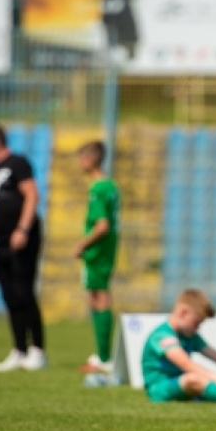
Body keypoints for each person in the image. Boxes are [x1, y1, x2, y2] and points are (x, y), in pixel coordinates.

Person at [0, 124, 47, 372]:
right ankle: (19, 350)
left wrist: (23, 229)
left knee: (24, 292)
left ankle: (37, 349)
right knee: (10, 296)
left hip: (22, 238)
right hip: (2, 241)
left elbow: (32, 195)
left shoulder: (18, 163)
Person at [74, 141, 120, 375]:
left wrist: (82, 243)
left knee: (99, 298)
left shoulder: (97, 188)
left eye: (82, 158)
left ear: (91, 160)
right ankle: (102, 354)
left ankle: (104, 357)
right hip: (108, 249)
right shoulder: (111, 185)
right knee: (97, 297)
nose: (80, 163)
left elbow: (102, 225)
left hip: (98, 251)